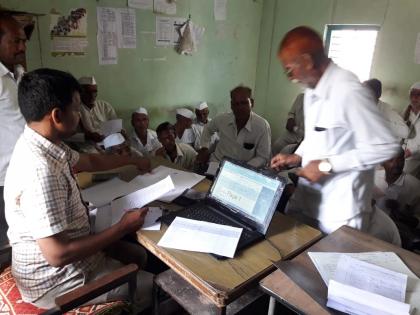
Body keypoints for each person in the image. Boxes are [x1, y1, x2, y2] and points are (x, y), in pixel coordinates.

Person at [5, 68, 153, 310]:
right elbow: (57, 255)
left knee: (139, 256)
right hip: (57, 281)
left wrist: (133, 161)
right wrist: (122, 227)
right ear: (56, 116)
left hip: (68, 254)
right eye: (76, 109)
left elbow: (90, 162)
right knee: (154, 285)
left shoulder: (42, 142)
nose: (80, 116)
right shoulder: (41, 171)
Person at [271, 26, 401, 243]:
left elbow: (385, 146)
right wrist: (297, 157)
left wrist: (326, 165)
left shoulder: (348, 90)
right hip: (309, 200)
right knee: (292, 261)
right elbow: (319, 135)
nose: (290, 76)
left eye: (289, 69)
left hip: (339, 211)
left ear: (307, 61)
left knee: (327, 273)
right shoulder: (313, 89)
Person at [196, 86, 271, 168]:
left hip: (243, 171)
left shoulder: (261, 126)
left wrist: (243, 168)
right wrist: (204, 148)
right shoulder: (222, 119)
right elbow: (208, 128)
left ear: (252, 103)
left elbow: (263, 157)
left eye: (244, 103)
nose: (240, 108)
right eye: (236, 104)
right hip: (216, 164)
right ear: (231, 105)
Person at [0, 14, 27, 246]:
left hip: (25, 175)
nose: (22, 47)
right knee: (7, 247)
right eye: (16, 41)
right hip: (3, 180)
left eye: (24, 41)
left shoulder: (20, 74)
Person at [78, 76, 120, 142]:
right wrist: (88, 137)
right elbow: (67, 136)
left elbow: (116, 128)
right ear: (80, 92)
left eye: (95, 92)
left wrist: (121, 131)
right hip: (87, 147)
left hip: (109, 143)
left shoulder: (105, 106)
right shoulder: (73, 109)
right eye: (88, 92)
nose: (92, 95)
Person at [402, 82, 420, 178]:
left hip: (415, 158)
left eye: (418, 95)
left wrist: (411, 151)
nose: (414, 98)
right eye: (412, 94)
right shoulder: (407, 112)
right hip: (402, 153)